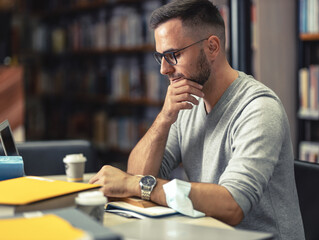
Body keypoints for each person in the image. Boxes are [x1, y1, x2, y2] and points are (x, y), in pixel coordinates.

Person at [89, 0, 305, 239]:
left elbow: (233, 205)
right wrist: (164, 118)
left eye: (173, 55)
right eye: (160, 57)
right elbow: (139, 173)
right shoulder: (186, 103)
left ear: (212, 47)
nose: (163, 70)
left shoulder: (259, 108)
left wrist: (136, 185)